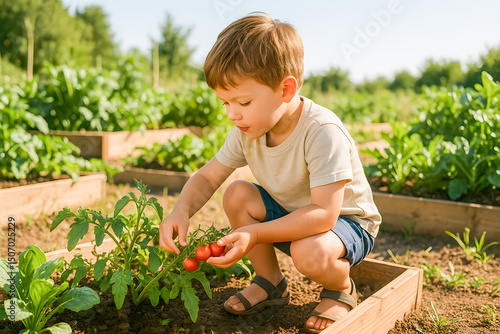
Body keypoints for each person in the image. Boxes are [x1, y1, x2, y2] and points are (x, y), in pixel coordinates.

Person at [159, 12, 381, 332]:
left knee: (310, 252)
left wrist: (255, 234)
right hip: (293, 215)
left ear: (286, 90)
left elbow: (322, 215)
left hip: (345, 225)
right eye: (225, 103)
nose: (233, 114)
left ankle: (341, 288)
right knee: (238, 193)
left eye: (243, 102)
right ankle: (269, 281)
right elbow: (208, 177)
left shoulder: (321, 131)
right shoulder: (247, 130)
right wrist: (181, 210)